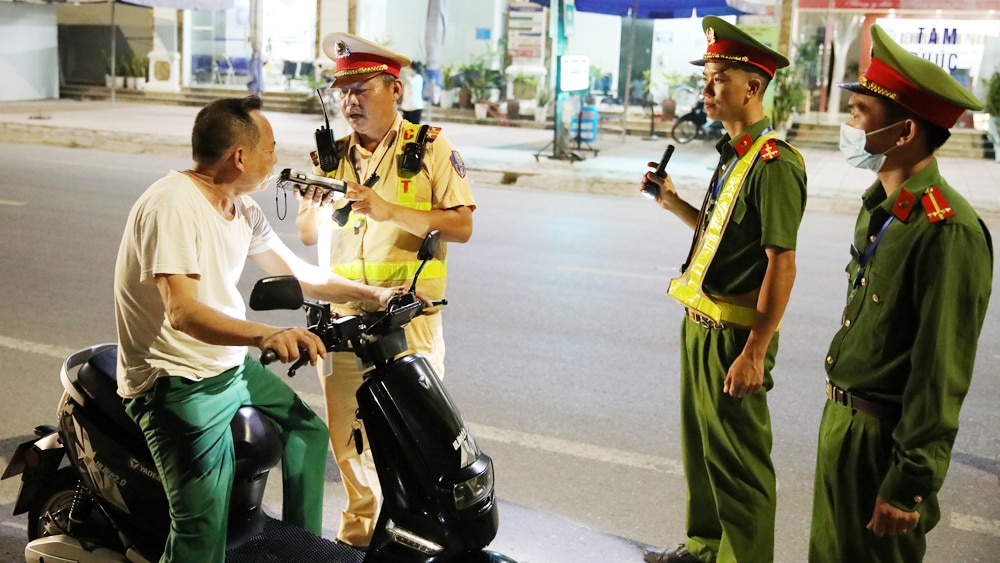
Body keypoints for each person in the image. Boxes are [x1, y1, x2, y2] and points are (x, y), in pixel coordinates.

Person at [114, 96, 406, 563]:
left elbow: (298, 273)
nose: (276, 160)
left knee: (306, 433)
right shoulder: (172, 205)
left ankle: (299, 550)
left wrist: (377, 296)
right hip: (177, 380)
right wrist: (263, 335)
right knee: (199, 529)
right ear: (240, 157)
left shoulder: (241, 208)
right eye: (269, 150)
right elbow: (183, 313)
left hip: (226, 365)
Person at [810, 25, 993, 562]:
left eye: (860, 112)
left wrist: (910, 481)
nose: (848, 125)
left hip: (883, 442)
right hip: (842, 423)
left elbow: (940, 370)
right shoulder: (881, 209)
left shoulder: (947, 229)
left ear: (905, 130)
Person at [295, 32, 476, 547]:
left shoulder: (430, 146)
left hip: (408, 324)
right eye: (343, 90)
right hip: (346, 320)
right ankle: (357, 542)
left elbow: (461, 227)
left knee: (413, 441)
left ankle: (418, 539)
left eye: (361, 88)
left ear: (394, 90)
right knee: (347, 442)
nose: (350, 100)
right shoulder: (329, 157)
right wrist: (312, 203)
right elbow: (309, 235)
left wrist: (388, 208)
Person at [640, 16, 807, 563]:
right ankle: (704, 547)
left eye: (717, 79)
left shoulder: (775, 165)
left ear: (753, 87)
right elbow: (720, 238)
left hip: (736, 336)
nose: (706, 90)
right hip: (699, 324)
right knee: (703, 454)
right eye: (705, 78)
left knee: (740, 464)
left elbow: (781, 264)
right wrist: (670, 200)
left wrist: (756, 351)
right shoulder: (733, 153)